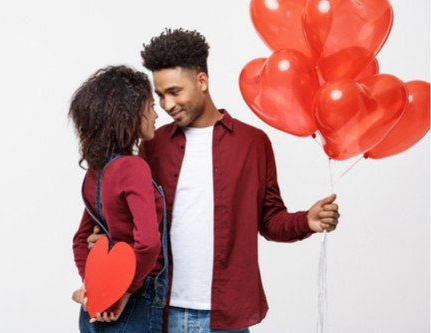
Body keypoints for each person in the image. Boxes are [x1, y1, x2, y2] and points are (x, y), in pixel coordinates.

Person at [86, 29, 340, 333]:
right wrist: (103, 240)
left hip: (226, 315)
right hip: (159, 310)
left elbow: (269, 220)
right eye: (160, 96)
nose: (167, 105)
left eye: (175, 92)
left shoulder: (252, 143)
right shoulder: (153, 146)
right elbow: (132, 217)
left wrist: (306, 222)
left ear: (202, 82)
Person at [69, 65, 169, 332]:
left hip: (95, 308)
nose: (156, 114)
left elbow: (80, 239)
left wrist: (93, 288)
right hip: (134, 302)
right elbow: (147, 243)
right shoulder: (134, 168)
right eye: (150, 106)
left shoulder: (95, 172)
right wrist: (124, 292)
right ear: (130, 114)